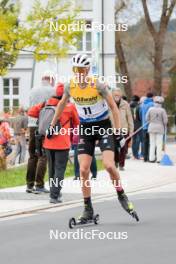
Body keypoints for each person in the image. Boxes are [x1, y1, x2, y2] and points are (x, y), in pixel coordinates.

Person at [49, 53, 137, 221]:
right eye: (76, 69)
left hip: (103, 126)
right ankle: (87, 208)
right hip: (86, 128)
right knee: (83, 170)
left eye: (82, 69)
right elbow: (61, 104)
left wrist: (117, 132)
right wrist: (52, 125)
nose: (79, 72)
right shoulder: (70, 85)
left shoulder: (98, 84)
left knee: (110, 166)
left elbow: (113, 107)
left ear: (88, 69)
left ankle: (121, 194)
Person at [28, 84, 80, 203]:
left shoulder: (46, 104)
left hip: (48, 142)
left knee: (52, 170)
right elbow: (78, 124)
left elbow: (31, 112)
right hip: (63, 144)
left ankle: (54, 192)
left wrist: (43, 114)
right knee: (59, 169)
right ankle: (54, 195)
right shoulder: (69, 107)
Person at [26, 73, 56, 193]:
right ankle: (39, 185)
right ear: (51, 79)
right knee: (43, 155)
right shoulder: (52, 90)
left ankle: (29, 184)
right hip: (43, 125)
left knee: (32, 155)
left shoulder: (33, 90)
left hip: (31, 125)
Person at [112, 88, 134, 170]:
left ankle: (121, 165)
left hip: (124, 129)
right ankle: (116, 161)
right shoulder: (110, 103)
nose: (116, 96)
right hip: (113, 129)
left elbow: (129, 118)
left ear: (120, 95)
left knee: (123, 147)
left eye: (118, 94)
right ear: (112, 95)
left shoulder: (125, 104)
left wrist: (131, 131)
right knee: (114, 147)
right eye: (115, 94)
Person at [146, 96, 168, 163]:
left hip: (151, 127)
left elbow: (146, 119)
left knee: (152, 143)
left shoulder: (150, 109)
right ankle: (159, 159)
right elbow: (165, 121)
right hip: (160, 128)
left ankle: (151, 159)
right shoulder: (162, 110)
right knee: (159, 144)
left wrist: (151, 121)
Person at [140, 92, 154, 162]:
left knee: (145, 142)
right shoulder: (152, 104)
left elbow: (140, 114)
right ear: (152, 97)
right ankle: (150, 157)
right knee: (151, 142)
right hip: (150, 125)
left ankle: (145, 157)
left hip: (143, 125)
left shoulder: (142, 104)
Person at [130, 95, 143, 159]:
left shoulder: (129, 107)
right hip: (139, 125)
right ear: (138, 100)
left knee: (134, 140)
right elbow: (141, 117)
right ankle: (140, 155)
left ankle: (134, 155)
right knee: (141, 140)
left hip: (132, 125)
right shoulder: (139, 107)